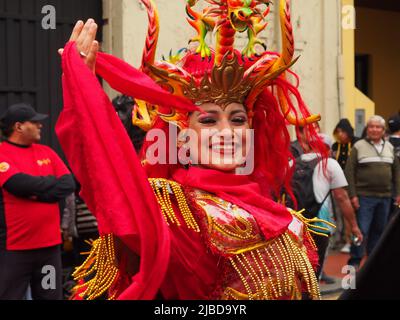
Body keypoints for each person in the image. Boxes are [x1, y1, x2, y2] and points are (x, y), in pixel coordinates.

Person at [56, 0, 329, 300]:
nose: (227, 132)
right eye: (209, 120)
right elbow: (108, 180)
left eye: (237, 120)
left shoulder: (280, 212)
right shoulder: (170, 209)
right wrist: (83, 91)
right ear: (183, 135)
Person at [0, 103, 76, 300]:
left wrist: (35, 192)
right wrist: (50, 187)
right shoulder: (2, 153)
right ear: (18, 127)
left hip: (48, 250)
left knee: (49, 296)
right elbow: (16, 184)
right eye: (34, 122)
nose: (40, 126)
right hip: (15, 251)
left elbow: (68, 183)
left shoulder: (47, 152)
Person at [297, 131, 362, 282]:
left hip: (296, 225)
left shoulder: (294, 162)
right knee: (313, 271)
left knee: (297, 270)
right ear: (328, 148)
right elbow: (342, 197)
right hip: (319, 225)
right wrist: (353, 226)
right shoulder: (330, 164)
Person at [345, 115, 400, 269]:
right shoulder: (358, 146)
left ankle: (373, 264)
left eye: (378, 127)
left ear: (383, 131)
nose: (375, 130)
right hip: (364, 197)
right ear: (367, 129)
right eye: (371, 127)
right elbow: (349, 172)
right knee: (361, 230)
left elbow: (396, 171)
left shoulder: (389, 147)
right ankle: (354, 262)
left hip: (385, 198)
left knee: (379, 231)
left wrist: (398, 193)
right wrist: (353, 195)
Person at [331, 119, 360, 253]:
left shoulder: (356, 144)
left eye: (343, 131)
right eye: (338, 132)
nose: (340, 134)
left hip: (353, 183)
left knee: (351, 213)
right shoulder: (335, 146)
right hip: (336, 184)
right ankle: (341, 238)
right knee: (339, 213)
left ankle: (350, 240)